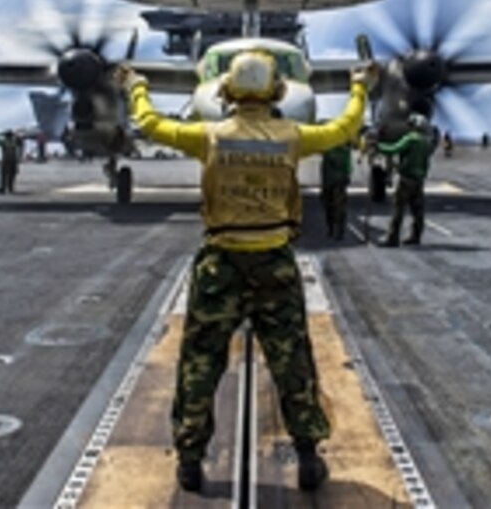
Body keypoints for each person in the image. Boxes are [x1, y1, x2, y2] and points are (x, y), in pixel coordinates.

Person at [115, 50, 376, 494]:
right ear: (277, 91)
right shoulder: (293, 136)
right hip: (274, 260)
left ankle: (191, 461)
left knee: (200, 361)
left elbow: (153, 125)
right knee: (292, 362)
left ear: (228, 92)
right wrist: (358, 88)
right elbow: (344, 129)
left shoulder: (209, 137)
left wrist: (135, 86)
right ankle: (309, 457)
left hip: (221, 264)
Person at [377, 114, 433, 247]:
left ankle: (392, 239)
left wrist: (378, 146)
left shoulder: (410, 139)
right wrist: (422, 175)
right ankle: (416, 236)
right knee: (418, 211)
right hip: (418, 180)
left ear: (413, 126)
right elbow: (426, 164)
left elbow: (393, 149)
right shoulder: (425, 142)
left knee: (398, 210)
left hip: (406, 179)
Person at [319, 141, 352, 240]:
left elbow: (347, 163)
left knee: (337, 206)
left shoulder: (342, 148)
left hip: (337, 180)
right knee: (330, 204)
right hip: (330, 180)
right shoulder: (328, 147)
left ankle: (337, 230)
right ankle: (333, 229)